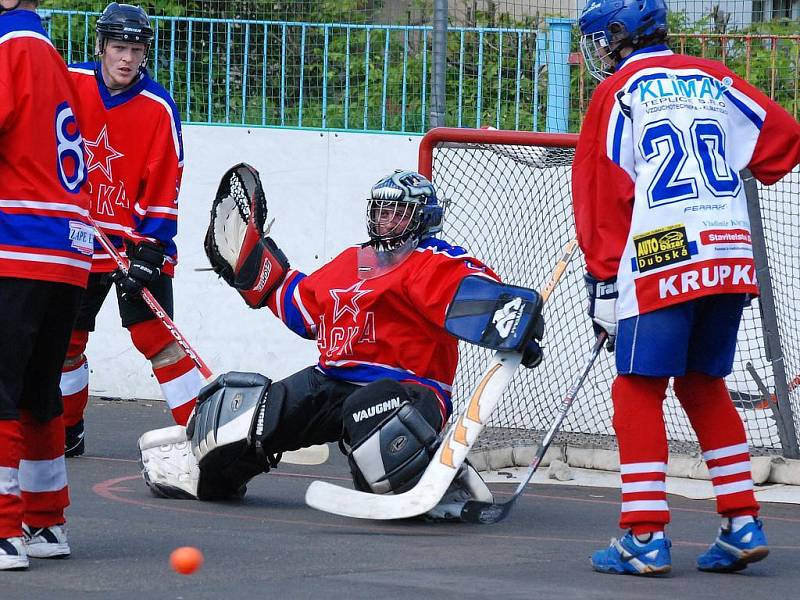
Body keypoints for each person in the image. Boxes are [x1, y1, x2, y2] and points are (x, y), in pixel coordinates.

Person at [138, 168, 546, 520]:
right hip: (331, 379)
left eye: (397, 212)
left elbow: (475, 292)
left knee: (373, 418)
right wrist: (256, 274)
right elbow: (304, 308)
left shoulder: (434, 260)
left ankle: (440, 481)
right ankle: (207, 476)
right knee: (248, 411)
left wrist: (512, 320)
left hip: (408, 389)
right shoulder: (354, 260)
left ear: (423, 218)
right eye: (381, 210)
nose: (386, 220)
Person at [573, 0, 800, 576]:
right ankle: (741, 522)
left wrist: (602, 279)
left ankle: (644, 536)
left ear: (620, 36)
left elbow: (603, 193)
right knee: (703, 383)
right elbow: (783, 139)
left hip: (661, 254)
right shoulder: (714, 76)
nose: (598, 51)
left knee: (637, 386)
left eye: (601, 38)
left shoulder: (618, 92)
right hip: (728, 250)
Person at [61, 2, 201, 457]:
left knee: (158, 340)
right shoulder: (69, 83)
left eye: (136, 49)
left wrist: (152, 247)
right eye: (119, 47)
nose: (127, 58)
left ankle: (204, 438)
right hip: (77, 240)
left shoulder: (158, 107)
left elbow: (167, 178)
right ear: (101, 46)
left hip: (133, 243)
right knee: (66, 342)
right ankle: (67, 430)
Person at [0, 0, 93, 570]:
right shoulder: (50, 52)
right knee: (39, 392)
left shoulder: (8, 44)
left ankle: (4, 531)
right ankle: (46, 521)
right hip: (66, 254)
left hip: (19, 246)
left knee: (2, 388)